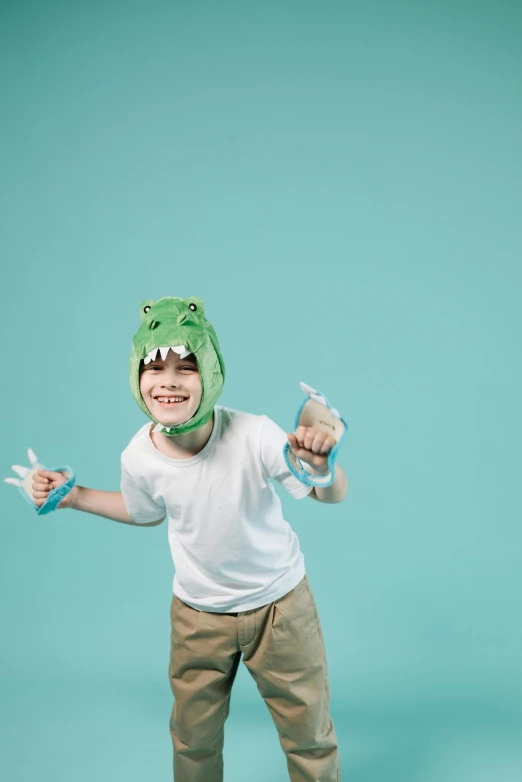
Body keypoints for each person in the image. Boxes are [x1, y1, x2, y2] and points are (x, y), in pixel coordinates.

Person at [12, 296, 349, 782]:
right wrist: (74, 496)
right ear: (137, 378)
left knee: (309, 734)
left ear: (209, 373)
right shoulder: (138, 455)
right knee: (193, 740)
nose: (168, 379)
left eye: (186, 367)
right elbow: (143, 511)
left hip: (281, 609)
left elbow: (328, 496)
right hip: (198, 616)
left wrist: (323, 466)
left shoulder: (254, 434)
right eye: (154, 366)